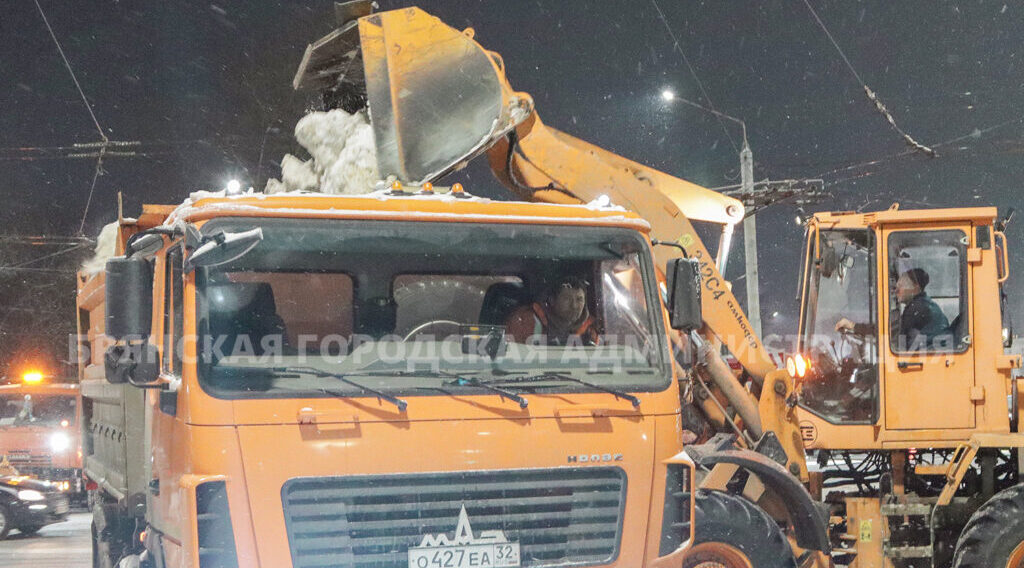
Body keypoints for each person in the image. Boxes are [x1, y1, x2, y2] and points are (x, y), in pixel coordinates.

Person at [836, 267, 950, 350]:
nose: (896, 291)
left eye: (900, 287)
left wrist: (853, 326)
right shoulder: (921, 305)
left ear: (915, 288)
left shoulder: (917, 309)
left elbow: (886, 332)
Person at [505, 276, 600, 345]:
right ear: (552, 301)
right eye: (566, 299)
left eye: (579, 299)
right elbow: (511, 359)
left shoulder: (591, 329)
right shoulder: (526, 322)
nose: (574, 306)